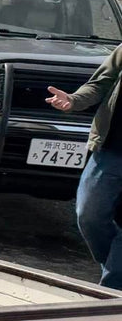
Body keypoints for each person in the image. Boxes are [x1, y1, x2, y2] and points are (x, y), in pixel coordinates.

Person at [47, 45, 122, 287]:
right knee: (88, 215)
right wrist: (73, 99)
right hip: (112, 148)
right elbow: (100, 83)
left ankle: (110, 297)